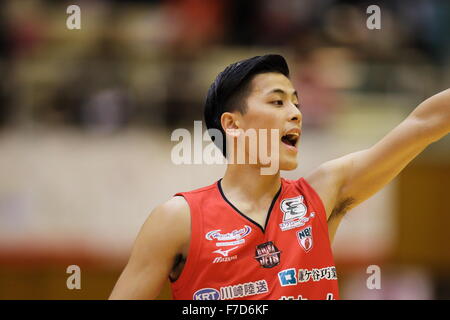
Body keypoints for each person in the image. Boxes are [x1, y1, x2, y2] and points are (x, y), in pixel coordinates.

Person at [109, 54, 449, 300]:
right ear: (232, 124)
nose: (296, 114)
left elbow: (423, 125)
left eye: (296, 103)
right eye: (277, 102)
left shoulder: (321, 194)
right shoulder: (177, 219)